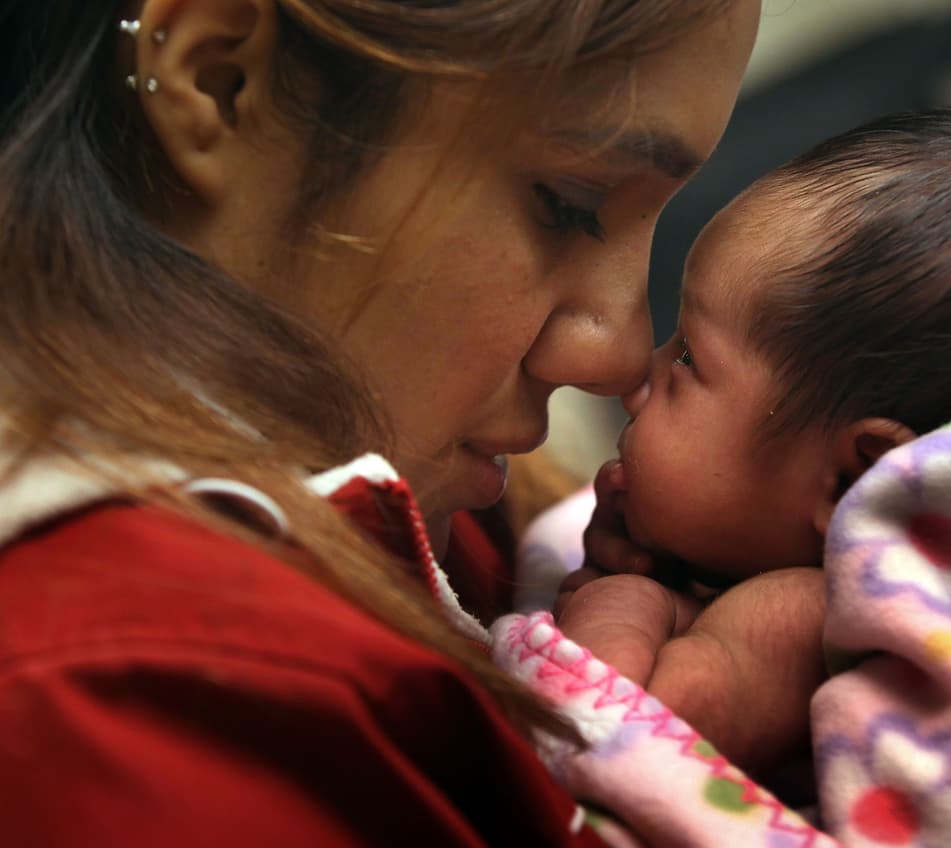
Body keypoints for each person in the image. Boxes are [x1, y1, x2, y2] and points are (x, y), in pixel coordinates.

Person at [0, 3, 845, 846]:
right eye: (571, 204)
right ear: (217, 77)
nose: (620, 357)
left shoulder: (441, 494)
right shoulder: (125, 712)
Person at [553, 106, 951, 776]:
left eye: (689, 358)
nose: (637, 377)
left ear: (856, 483)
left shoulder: (804, 615)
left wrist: (620, 594)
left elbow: (606, 726)